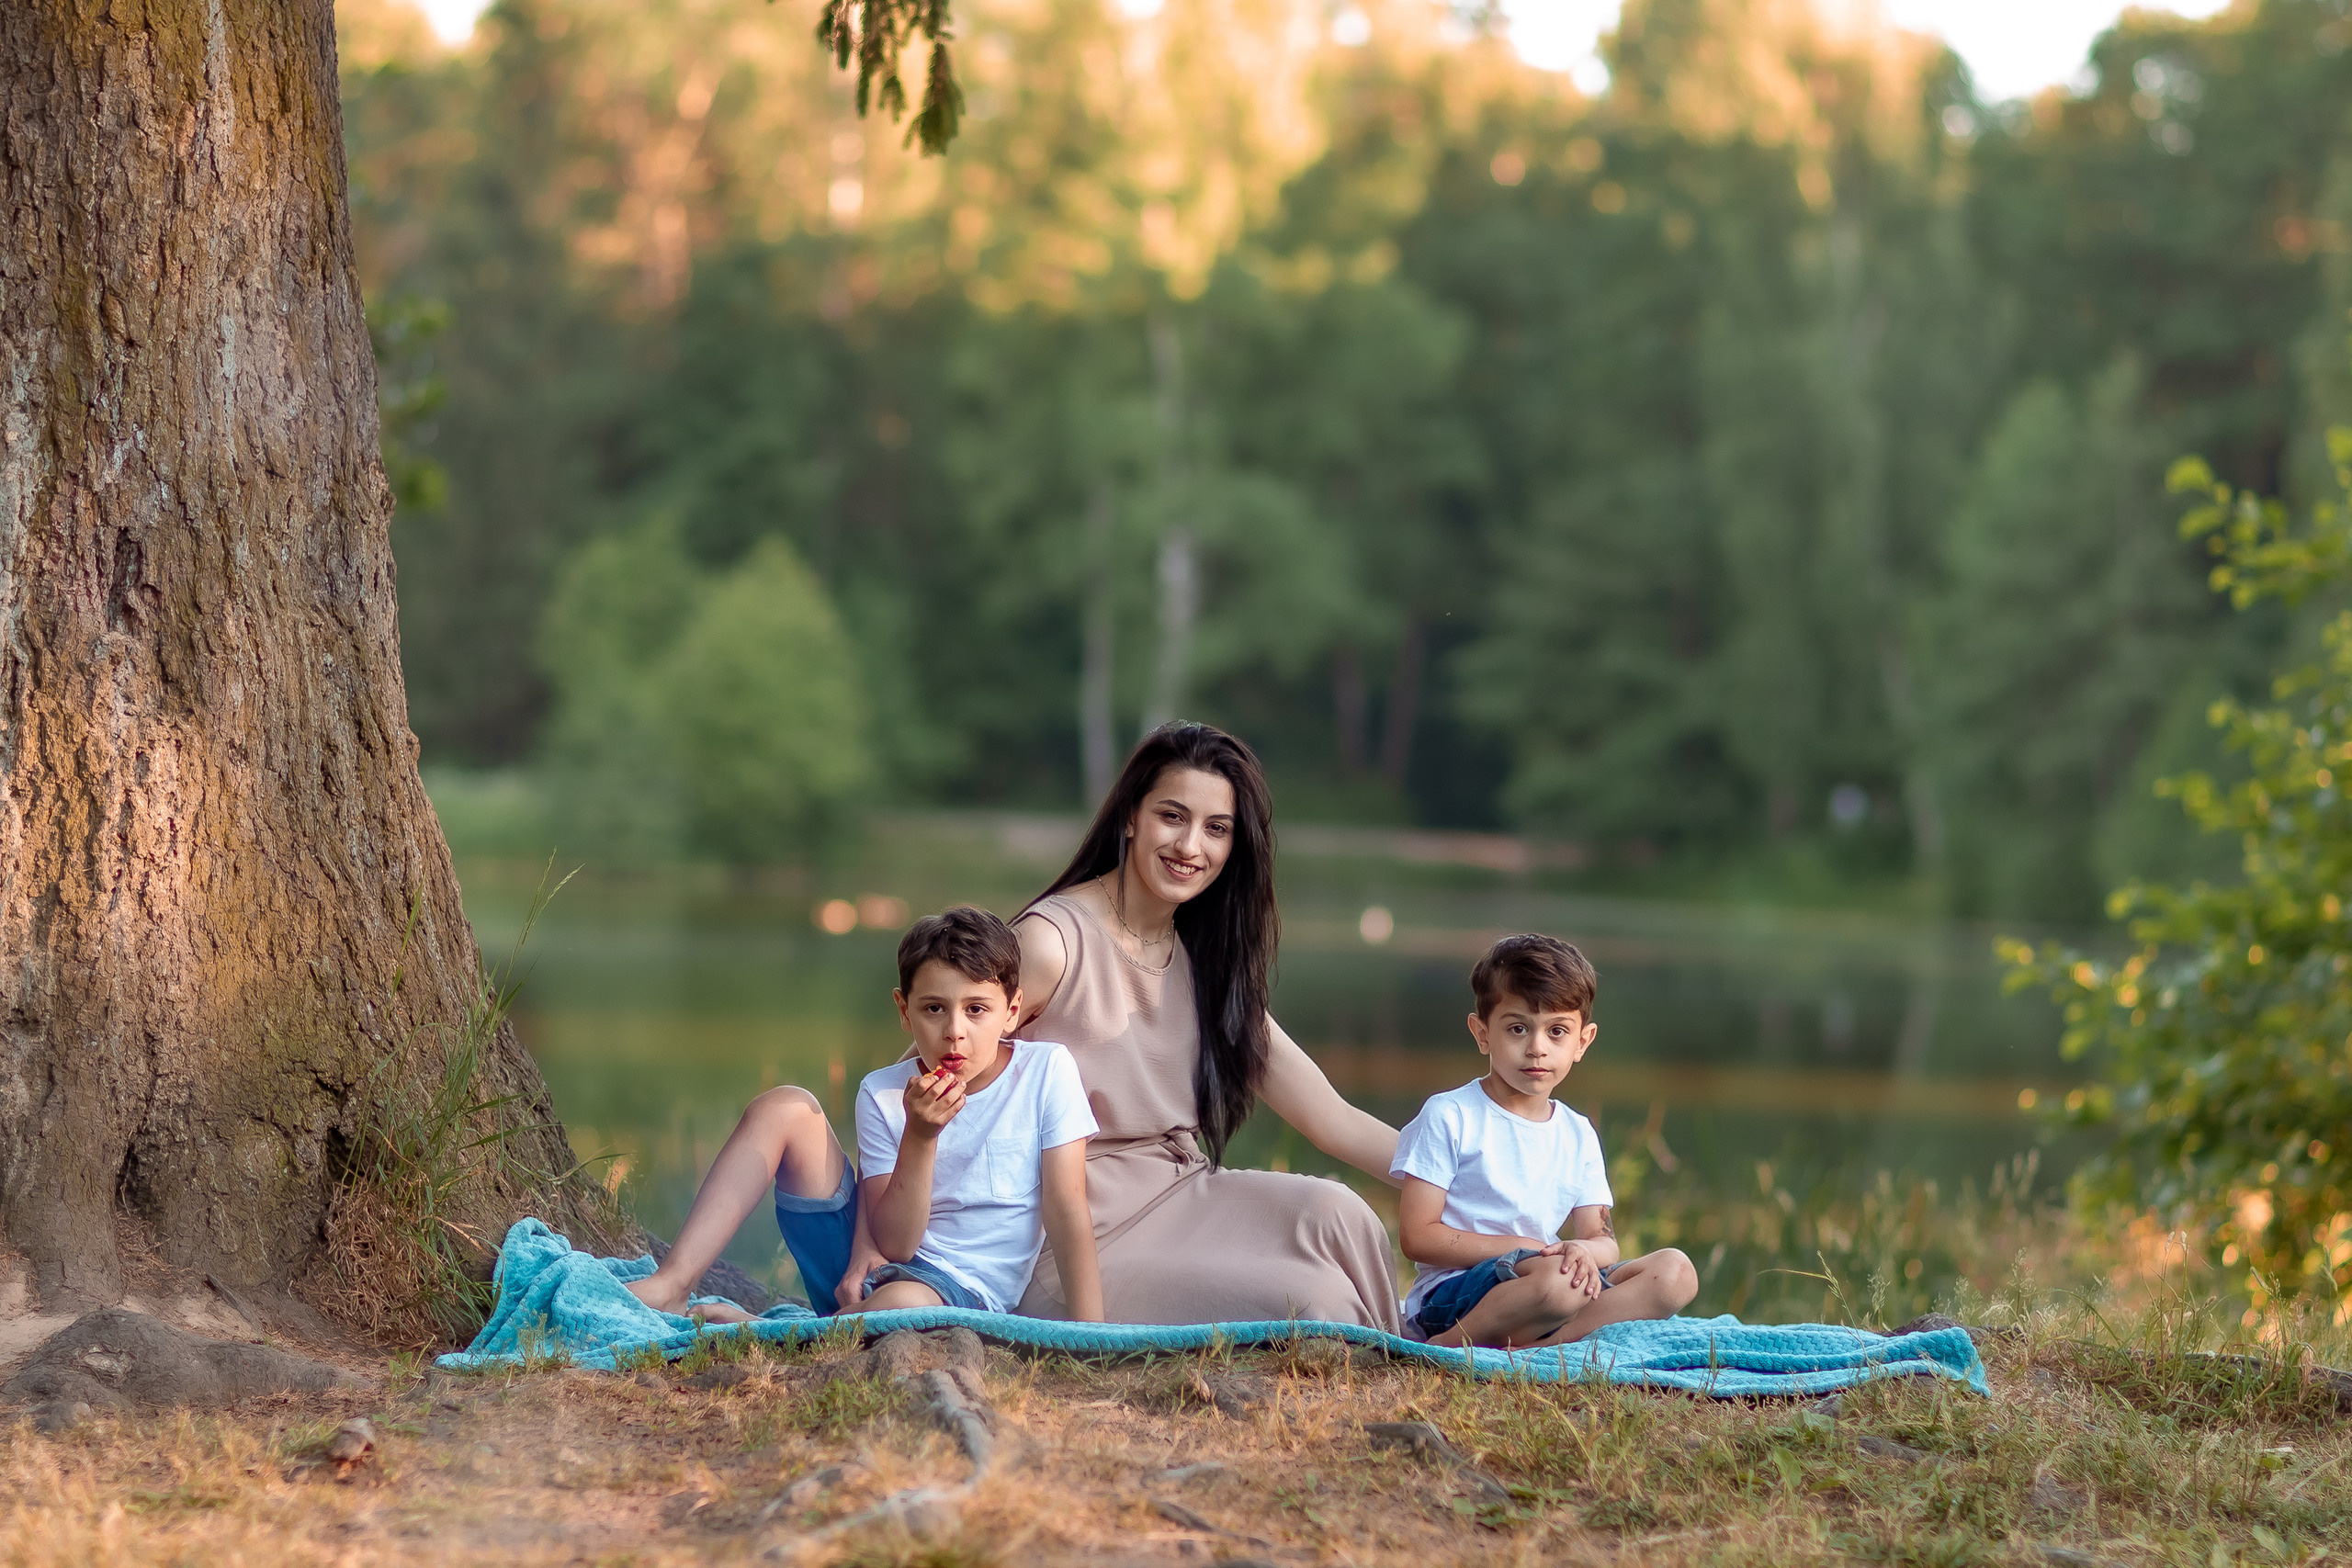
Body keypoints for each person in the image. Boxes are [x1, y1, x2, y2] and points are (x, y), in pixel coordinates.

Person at [833, 722, 1406, 1329]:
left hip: (1179, 1191)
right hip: (1071, 1231)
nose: (1190, 845)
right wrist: (870, 1240)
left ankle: (1413, 1355)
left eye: (1216, 828)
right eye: (1172, 816)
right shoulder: (1054, 943)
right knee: (1317, 1301)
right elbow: (917, 1076)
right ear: (1132, 816)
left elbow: (1333, 1118)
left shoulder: (1206, 962)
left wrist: (1470, 1186)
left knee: (1344, 1215)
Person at [627, 907, 1103, 1322]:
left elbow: (1067, 1209)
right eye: (934, 1008)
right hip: (862, 1277)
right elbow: (892, 1243)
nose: (954, 1031)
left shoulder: (1046, 1072)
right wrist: (920, 1136)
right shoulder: (882, 1092)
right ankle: (673, 1283)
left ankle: (782, 1332)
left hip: (957, 1294)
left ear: (1012, 1011)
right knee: (784, 1107)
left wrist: (1090, 1332)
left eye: (977, 1009)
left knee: (904, 1304)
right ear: (904, 1011)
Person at [1393, 933, 1697, 1348]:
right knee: (1559, 1284)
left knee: (1675, 1273)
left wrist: (1576, 1252)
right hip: (1459, 1291)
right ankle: (1451, 1343)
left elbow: (1603, 1240)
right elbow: (1417, 1237)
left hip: (1550, 1278)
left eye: (1557, 1032)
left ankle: (1541, 1346)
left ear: (1582, 1041)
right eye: (1518, 1028)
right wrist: (1528, 1250)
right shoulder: (1452, 1115)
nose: (1537, 1048)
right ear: (1482, 1033)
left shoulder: (1577, 1133)